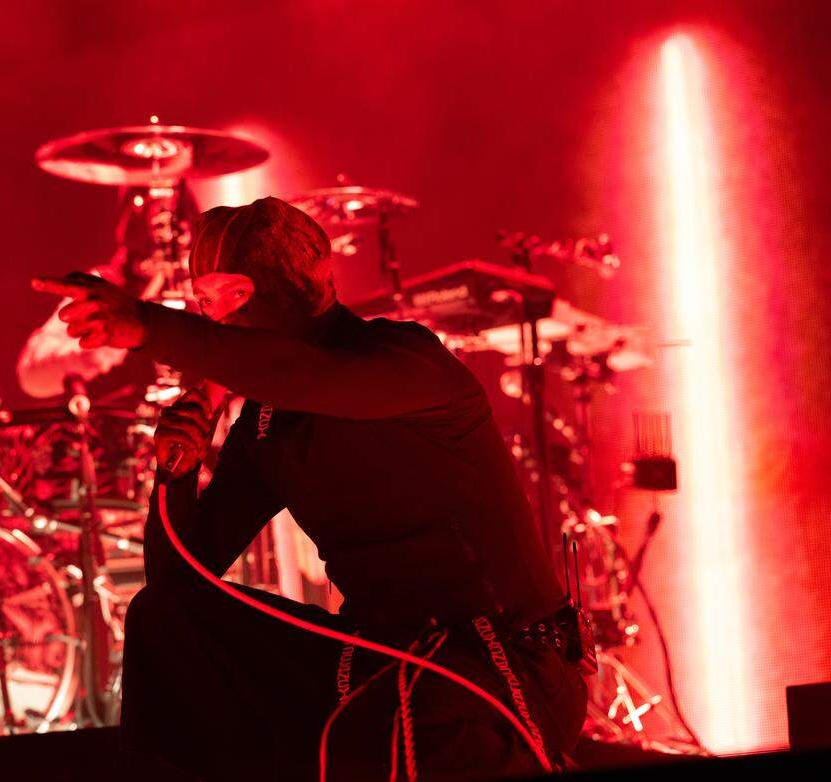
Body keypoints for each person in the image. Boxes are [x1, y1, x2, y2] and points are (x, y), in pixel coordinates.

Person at [32, 197, 588, 782]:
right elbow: (182, 578)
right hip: (381, 653)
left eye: (223, 297)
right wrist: (175, 472)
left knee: (386, 728)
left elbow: (306, 375)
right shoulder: (269, 422)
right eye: (200, 302)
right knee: (165, 618)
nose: (211, 316)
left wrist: (147, 326)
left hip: (503, 657)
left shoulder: (405, 360)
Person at [16, 186, 199, 400]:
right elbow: (32, 375)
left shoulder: (210, 285)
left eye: (173, 220)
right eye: (155, 215)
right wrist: (107, 341)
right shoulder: (106, 285)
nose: (165, 230)